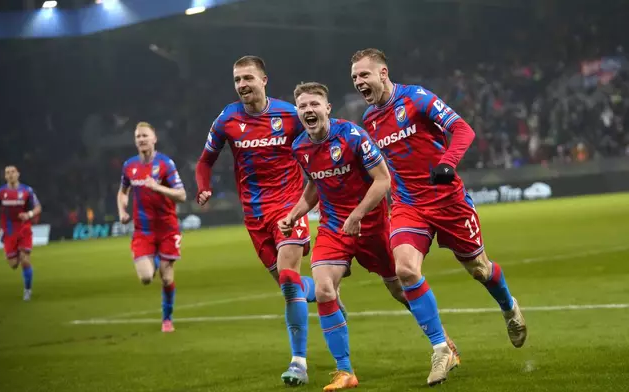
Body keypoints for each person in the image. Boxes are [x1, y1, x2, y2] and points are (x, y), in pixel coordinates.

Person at [350, 48, 527, 386]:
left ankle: (509, 307)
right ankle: (441, 348)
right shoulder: (369, 121)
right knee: (404, 268)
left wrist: (448, 162)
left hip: (447, 200)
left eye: (364, 75)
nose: (359, 81)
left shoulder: (416, 98)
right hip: (408, 205)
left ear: (383, 73)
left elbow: (463, 130)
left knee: (480, 269)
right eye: (355, 76)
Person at [279, 82, 460, 391]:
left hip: (372, 227)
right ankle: (345, 371)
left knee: (401, 288)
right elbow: (314, 186)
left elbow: (383, 180)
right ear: (298, 112)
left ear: (327, 108)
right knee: (324, 290)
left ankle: (443, 343)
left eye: (314, 104)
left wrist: (358, 215)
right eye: (303, 106)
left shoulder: (351, 136)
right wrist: (295, 213)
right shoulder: (300, 147)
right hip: (334, 227)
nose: (309, 110)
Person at [195, 55, 317, 386]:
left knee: (290, 282)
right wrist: (203, 189)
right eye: (237, 80)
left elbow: (317, 147)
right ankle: (324, 289)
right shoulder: (227, 119)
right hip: (254, 216)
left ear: (264, 80)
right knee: (289, 285)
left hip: (289, 210)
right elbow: (204, 161)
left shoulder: (290, 116)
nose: (242, 85)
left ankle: (298, 362)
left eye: (248, 78)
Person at [117, 122, 186, 333]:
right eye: (138, 136)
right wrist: (122, 211)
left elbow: (182, 195)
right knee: (146, 277)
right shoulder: (129, 166)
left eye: (145, 135)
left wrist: (157, 187)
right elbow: (122, 192)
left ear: (154, 138)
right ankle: (155, 258)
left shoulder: (166, 164)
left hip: (167, 228)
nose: (141, 139)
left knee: (166, 277)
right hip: (143, 230)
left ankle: (167, 318)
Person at [0, 165, 41, 301]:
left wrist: (28, 214)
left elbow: (38, 207)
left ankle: (27, 290)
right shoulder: (0, 192)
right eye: (7, 173)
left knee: (25, 260)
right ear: (5, 176)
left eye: (13, 172)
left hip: (24, 229)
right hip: (9, 231)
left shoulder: (27, 191)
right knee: (13, 264)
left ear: (18, 174)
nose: (10, 174)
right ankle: (16, 253)